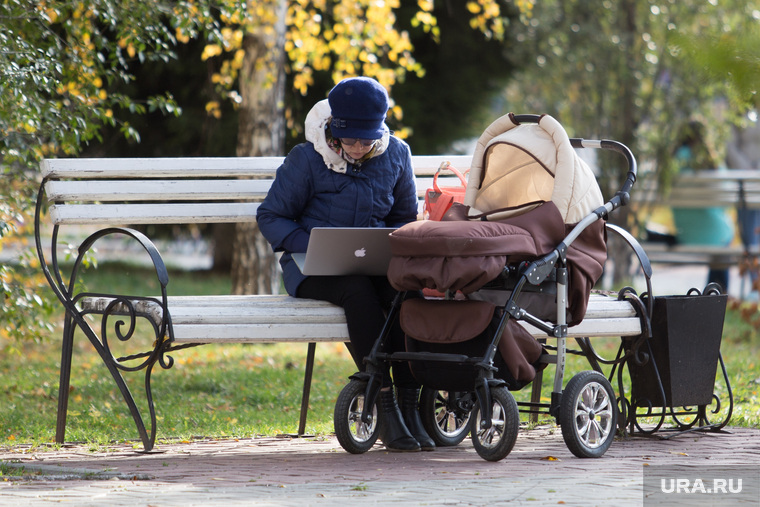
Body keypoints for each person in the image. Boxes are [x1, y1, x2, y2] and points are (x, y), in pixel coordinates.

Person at [256, 77, 434, 452]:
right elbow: (271, 216)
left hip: (374, 262)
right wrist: (315, 245)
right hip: (310, 267)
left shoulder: (397, 154)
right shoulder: (307, 158)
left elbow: (404, 218)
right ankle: (381, 400)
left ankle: (408, 400)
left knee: (408, 294)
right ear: (335, 129)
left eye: (365, 141)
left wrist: (392, 239)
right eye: (349, 140)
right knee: (357, 292)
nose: (356, 148)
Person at [670, 120, 735, 291]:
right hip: (715, 237)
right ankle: (718, 293)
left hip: (685, 234)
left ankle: (713, 292)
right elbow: (727, 199)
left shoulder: (673, 160)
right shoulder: (710, 161)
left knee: (721, 236)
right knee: (725, 236)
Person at [726, 115, 760, 297]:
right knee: (749, 236)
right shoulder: (739, 111)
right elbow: (729, 146)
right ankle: (755, 284)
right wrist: (747, 171)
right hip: (744, 184)